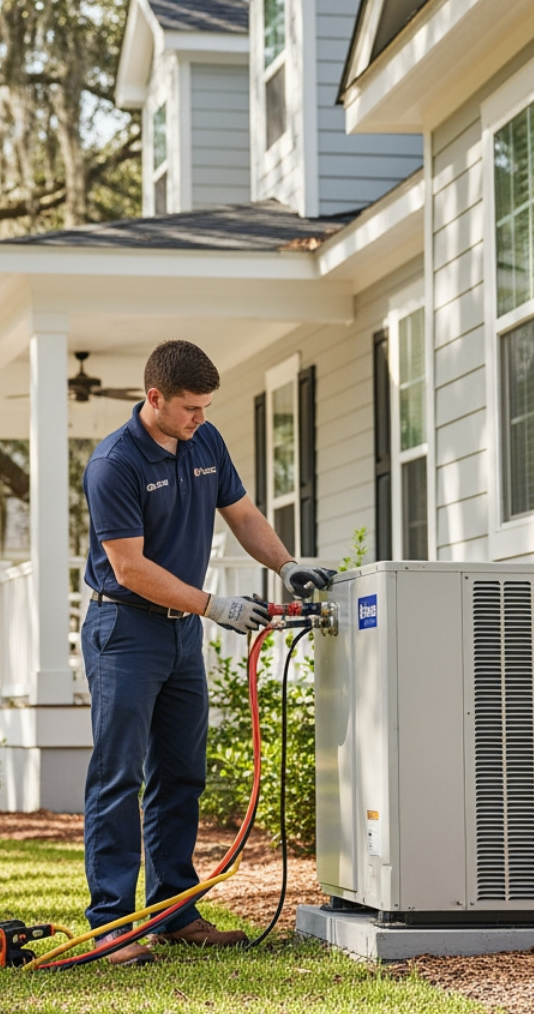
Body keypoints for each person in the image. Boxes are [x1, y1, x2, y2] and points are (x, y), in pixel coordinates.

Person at [78, 339, 335, 966]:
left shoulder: (206, 443)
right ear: (155, 398)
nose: (199, 418)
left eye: (206, 407)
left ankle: (172, 911)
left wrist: (289, 564)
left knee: (180, 774)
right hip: (126, 630)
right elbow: (130, 567)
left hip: (179, 635)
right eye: (190, 407)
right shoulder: (115, 463)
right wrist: (214, 605)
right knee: (119, 776)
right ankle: (112, 923)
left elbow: (243, 515)